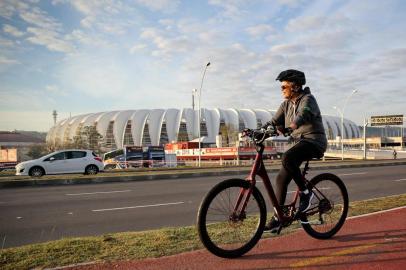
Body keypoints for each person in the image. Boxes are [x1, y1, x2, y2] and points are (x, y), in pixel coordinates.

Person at [261, 69, 327, 233]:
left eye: (284, 87)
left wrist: (292, 126)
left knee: (288, 157)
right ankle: (278, 217)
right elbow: (273, 122)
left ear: (296, 87)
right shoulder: (285, 105)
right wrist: (258, 130)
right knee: (280, 179)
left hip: (314, 141)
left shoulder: (308, 99)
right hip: (297, 143)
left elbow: (303, 114)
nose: (281, 90)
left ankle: (306, 192)